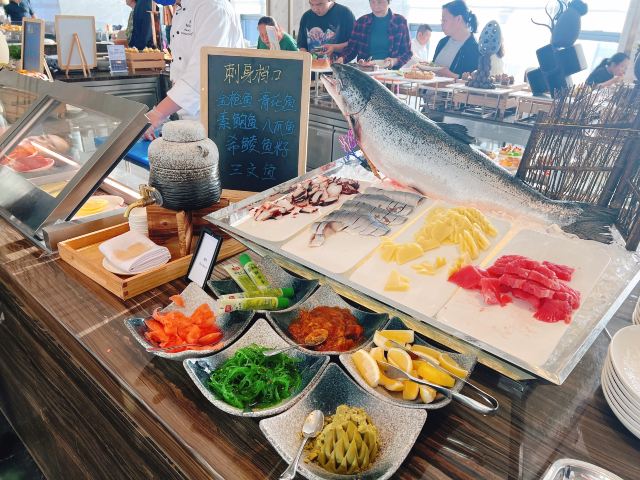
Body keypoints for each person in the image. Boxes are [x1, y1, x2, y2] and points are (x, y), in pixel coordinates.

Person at [143, 0, 243, 140]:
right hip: (190, 120)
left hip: (215, 120)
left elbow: (201, 74)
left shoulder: (213, 7)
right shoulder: (181, 8)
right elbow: (182, 69)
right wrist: (163, 114)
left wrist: (158, 114)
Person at [337, 0, 412, 70]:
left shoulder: (400, 22)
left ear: (388, 1)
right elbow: (351, 49)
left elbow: (407, 53)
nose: (376, 6)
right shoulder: (361, 22)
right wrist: (342, 59)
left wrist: (394, 61)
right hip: (366, 71)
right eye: (372, 2)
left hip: (390, 73)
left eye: (380, 2)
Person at [433, 0, 479, 79]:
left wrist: (451, 75)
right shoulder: (442, 42)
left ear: (458, 19)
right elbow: (432, 67)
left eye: (444, 20)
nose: (442, 24)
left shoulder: (474, 49)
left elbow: (473, 81)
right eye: (441, 20)